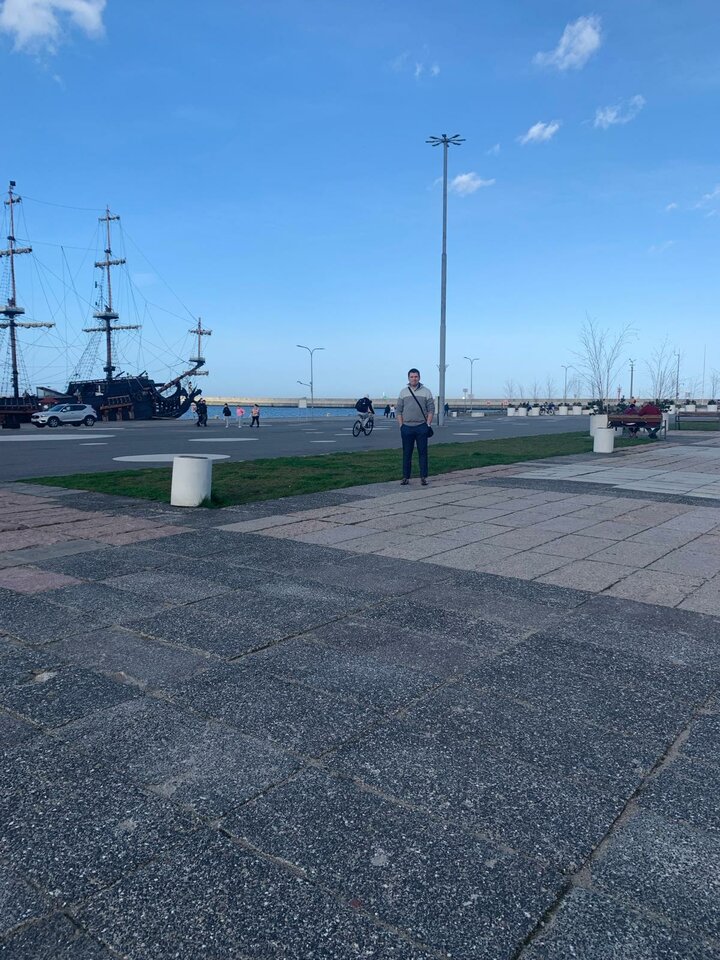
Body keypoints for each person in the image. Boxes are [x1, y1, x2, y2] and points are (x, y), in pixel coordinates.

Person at [396, 368, 434, 486]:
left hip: (421, 427)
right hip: (407, 427)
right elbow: (398, 410)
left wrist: (428, 424)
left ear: (419, 378)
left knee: (423, 453)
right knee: (407, 453)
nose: (414, 379)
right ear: (408, 378)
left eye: (416, 376)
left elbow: (431, 409)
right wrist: (401, 425)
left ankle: (423, 477)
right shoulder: (403, 392)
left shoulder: (426, 392)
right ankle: (405, 477)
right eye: (412, 377)